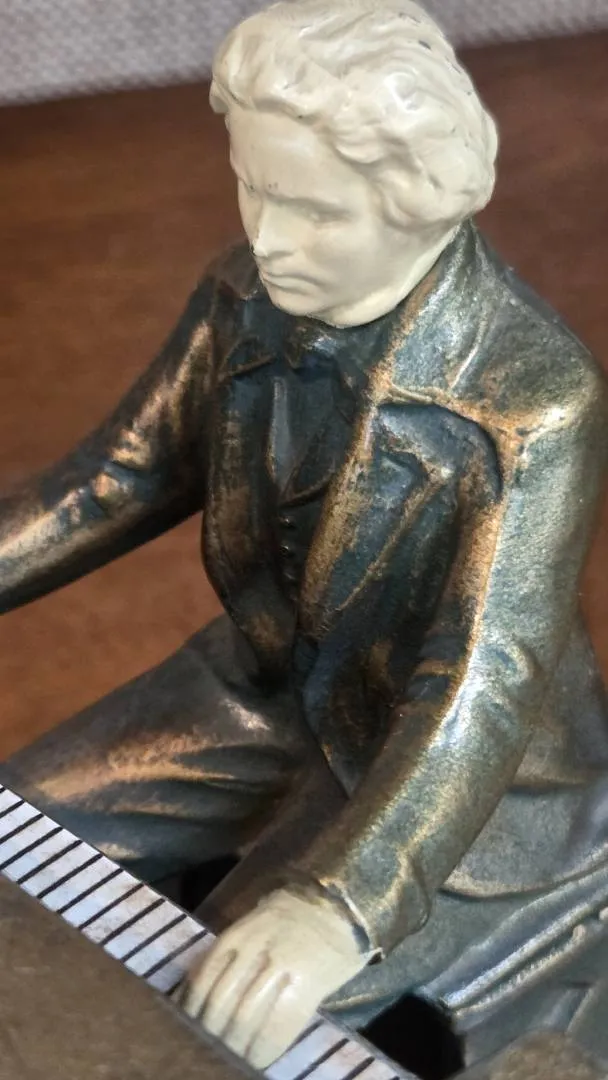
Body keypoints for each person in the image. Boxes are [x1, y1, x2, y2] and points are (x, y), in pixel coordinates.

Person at [2, 0, 608, 1070]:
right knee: (18, 840)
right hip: (260, 689)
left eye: (314, 210)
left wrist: (338, 906)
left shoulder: (533, 398)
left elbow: (479, 677)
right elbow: (111, 480)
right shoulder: (241, 293)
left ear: (417, 200)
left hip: (461, 780)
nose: (269, 237)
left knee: (210, 993)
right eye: (253, 188)